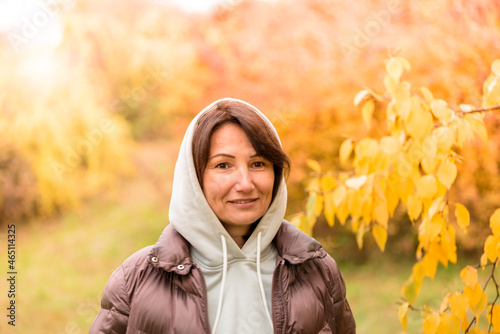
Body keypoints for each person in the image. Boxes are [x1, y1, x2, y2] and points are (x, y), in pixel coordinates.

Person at [90, 98, 356, 333]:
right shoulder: (136, 280)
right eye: (223, 165)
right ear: (195, 177)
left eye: (258, 164)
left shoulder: (318, 271)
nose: (245, 183)